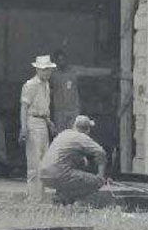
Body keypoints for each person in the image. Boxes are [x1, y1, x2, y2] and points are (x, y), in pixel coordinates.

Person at [40, 116, 113, 207]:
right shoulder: (81, 137)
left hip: (44, 174)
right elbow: (101, 152)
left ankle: (60, 199)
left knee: (70, 180)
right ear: (87, 130)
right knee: (96, 182)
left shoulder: (64, 133)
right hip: (60, 174)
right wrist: (101, 176)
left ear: (74, 126)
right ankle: (81, 206)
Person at [19, 55, 56, 193]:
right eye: (44, 70)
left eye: (48, 70)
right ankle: (33, 197)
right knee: (34, 162)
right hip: (32, 122)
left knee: (44, 161)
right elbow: (24, 107)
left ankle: (40, 194)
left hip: (43, 123)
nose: (47, 72)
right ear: (38, 70)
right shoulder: (30, 85)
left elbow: (44, 107)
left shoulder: (46, 85)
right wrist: (23, 128)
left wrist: (49, 122)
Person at [50, 50, 81, 134]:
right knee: (60, 136)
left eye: (63, 60)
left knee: (74, 135)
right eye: (59, 60)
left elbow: (89, 71)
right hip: (60, 111)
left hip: (73, 109)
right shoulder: (53, 74)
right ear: (56, 61)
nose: (62, 62)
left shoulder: (74, 72)